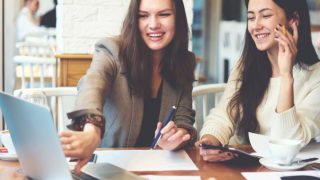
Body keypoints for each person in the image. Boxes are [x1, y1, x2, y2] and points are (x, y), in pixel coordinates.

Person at [60, 0, 197, 173]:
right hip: (107, 170)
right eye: (143, 16)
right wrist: (91, 131)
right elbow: (92, 85)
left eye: (164, 14)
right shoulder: (111, 50)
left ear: (178, 19)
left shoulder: (185, 61)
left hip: (158, 171)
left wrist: (179, 136)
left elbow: (184, 119)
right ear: (134, 19)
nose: (153, 24)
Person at [197, 0, 320, 162]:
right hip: (241, 166)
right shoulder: (246, 66)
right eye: (251, 17)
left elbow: (286, 143)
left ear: (293, 19)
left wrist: (286, 76)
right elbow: (223, 114)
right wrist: (210, 141)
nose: (255, 26)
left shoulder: (316, 77)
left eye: (266, 15)